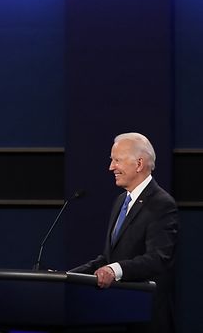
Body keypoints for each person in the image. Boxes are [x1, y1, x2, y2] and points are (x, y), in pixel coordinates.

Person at [69, 132, 178, 333]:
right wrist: (68, 277)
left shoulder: (162, 204)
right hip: (119, 316)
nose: (111, 167)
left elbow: (158, 259)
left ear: (138, 164)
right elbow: (107, 258)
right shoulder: (121, 201)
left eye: (116, 160)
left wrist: (114, 270)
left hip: (147, 319)